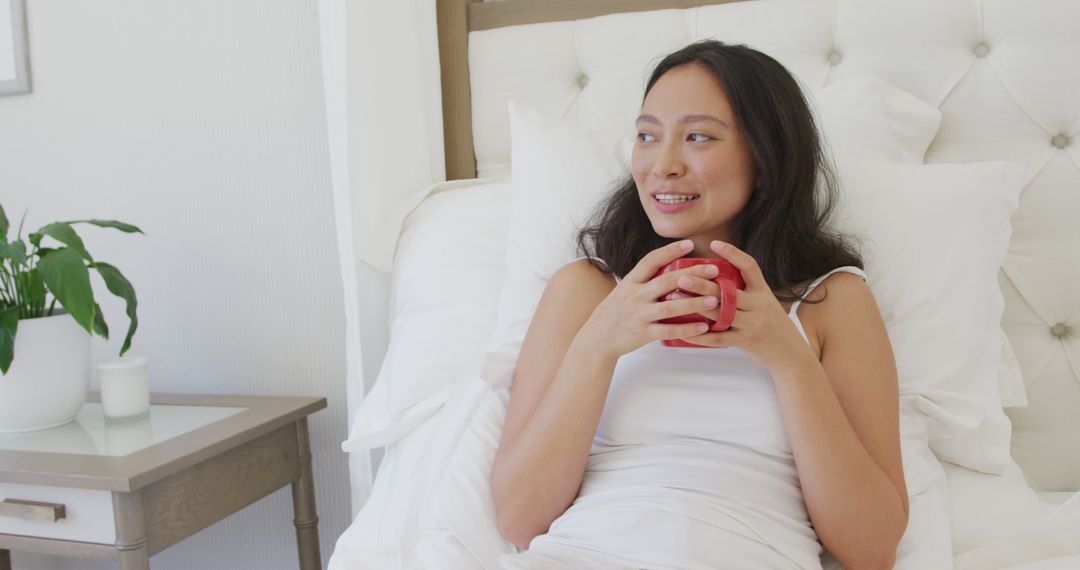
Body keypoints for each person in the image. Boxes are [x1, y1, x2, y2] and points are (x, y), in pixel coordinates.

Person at [490, 40, 908, 569]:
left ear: (764, 158)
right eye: (647, 136)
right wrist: (598, 346)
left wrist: (789, 358)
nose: (662, 165)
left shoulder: (832, 301)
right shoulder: (585, 291)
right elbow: (518, 520)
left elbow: (871, 549)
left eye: (697, 137)